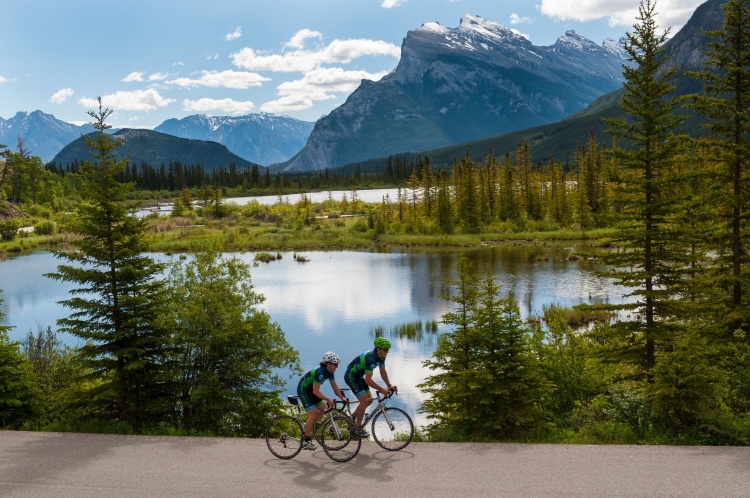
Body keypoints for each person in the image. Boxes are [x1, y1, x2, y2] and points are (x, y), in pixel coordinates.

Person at [344, 337, 398, 437]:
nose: (387, 352)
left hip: (359, 376)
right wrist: (381, 389)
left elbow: (382, 371)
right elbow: (368, 380)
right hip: (351, 376)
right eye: (385, 350)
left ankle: (351, 417)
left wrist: (389, 385)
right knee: (364, 401)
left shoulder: (381, 356)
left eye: (388, 350)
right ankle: (358, 428)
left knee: (369, 400)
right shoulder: (371, 359)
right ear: (378, 349)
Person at [296, 351, 349, 450]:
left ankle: (307, 426)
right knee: (312, 414)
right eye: (335, 365)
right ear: (328, 364)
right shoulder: (320, 373)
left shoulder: (330, 372)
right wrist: (328, 399)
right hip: (304, 389)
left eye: (337, 365)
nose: (336, 367)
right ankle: (307, 441)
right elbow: (316, 391)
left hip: (311, 390)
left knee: (324, 409)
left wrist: (342, 398)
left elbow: (334, 387)